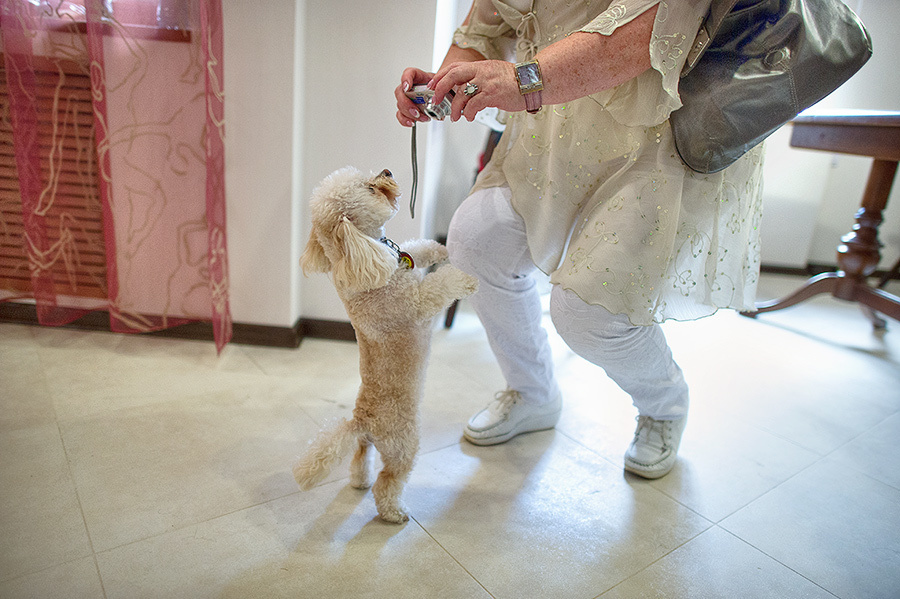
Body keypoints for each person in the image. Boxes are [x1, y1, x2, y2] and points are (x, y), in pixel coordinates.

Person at [394, 0, 764, 479]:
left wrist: (521, 80)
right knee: (476, 239)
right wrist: (443, 84)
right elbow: (483, 29)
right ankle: (532, 392)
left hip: (654, 131)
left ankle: (664, 403)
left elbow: (652, 29)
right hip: (549, 129)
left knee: (588, 312)